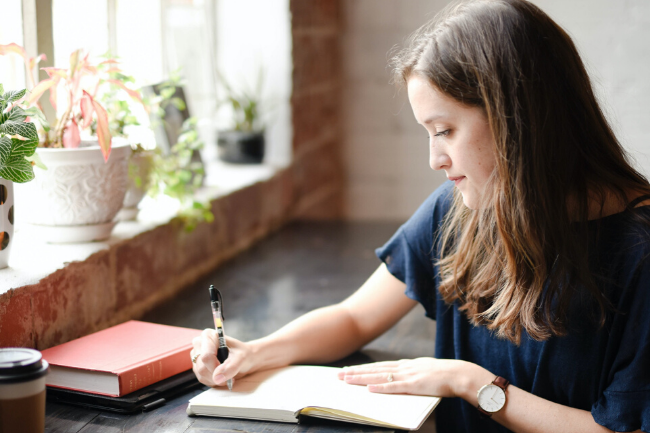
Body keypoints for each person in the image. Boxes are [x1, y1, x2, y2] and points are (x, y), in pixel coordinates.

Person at [191, 0, 650, 431]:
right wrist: (255, 352)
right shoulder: (461, 209)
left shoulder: (640, 255)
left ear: (518, 118)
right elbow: (354, 318)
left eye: (446, 130)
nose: (435, 159)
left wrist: (472, 384)